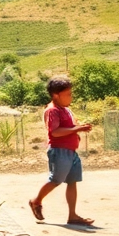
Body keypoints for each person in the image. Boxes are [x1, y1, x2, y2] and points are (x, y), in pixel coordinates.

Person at [28, 76, 95, 224]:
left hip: (71, 151)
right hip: (59, 151)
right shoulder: (52, 111)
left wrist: (78, 128)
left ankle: (72, 215)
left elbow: (69, 128)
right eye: (68, 94)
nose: (71, 96)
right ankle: (36, 201)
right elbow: (55, 132)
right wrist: (78, 128)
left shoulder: (65, 110)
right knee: (56, 180)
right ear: (56, 95)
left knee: (72, 181)